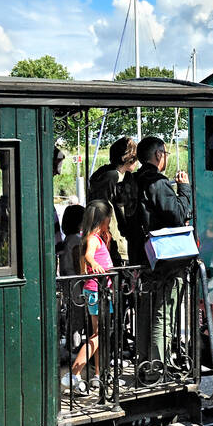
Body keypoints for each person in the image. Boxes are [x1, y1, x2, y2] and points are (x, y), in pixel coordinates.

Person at [134, 135, 193, 367]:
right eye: (165, 154)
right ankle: (159, 366)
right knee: (163, 311)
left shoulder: (134, 180)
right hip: (165, 258)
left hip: (142, 254)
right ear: (158, 155)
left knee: (146, 310)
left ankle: (144, 361)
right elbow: (178, 215)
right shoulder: (157, 182)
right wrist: (184, 189)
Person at [67, 200, 114, 395]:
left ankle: (97, 374)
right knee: (98, 336)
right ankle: (74, 373)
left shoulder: (95, 237)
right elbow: (88, 256)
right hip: (98, 291)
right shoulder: (93, 239)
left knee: (98, 334)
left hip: (97, 291)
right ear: (103, 219)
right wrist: (94, 263)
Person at [86, 138, 140, 267]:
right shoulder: (114, 177)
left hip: (106, 239)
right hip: (115, 241)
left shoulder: (101, 175)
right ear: (130, 159)